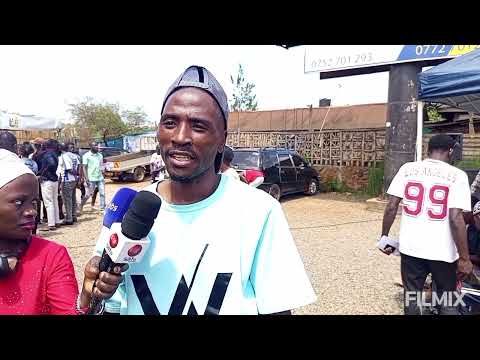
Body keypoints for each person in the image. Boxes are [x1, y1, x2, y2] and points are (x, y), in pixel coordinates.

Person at [79, 65, 316, 315]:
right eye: (170, 122)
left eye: (198, 126)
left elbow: (276, 309)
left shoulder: (259, 211)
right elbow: (106, 306)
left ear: (222, 139)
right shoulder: (131, 210)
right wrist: (89, 294)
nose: (180, 137)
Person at [380, 134, 473, 315]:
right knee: (447, 299)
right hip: (443, 252)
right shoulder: (458, 175)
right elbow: (455, 218)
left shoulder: (407, 169)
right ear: (451, 151)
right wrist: (464, 258)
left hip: (411, 249)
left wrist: (384, 236)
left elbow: (391, 206)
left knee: (412, 297)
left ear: (428, 150)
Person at [0, 150, 78, 314]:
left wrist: (86, 300)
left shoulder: (51, 255)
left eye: (34, 202)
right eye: (19, 202)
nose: (32, 212)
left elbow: (68, 310)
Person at [38, 139, 62, 231]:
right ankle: (57, 221)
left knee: (48, 202)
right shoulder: (55, 154)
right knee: (54, 201)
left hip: (47, 180)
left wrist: (42, 173)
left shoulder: (48, 154)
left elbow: (51, 164)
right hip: (54, 180)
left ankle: (51, 224)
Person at [79, 142, 105, 213]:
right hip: (91, 178)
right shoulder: (86, 156)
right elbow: (84, 167)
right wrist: (86, 178)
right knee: (88, 194)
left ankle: (102, 208)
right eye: (95, 145)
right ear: (91, 146)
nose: (97, 147)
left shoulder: (100, 155)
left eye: (97, 145)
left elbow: (101, 165)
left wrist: (103, 171)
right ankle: (81, 205)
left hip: (100, 177)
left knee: (102, 193)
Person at [58, 142, 80, 225]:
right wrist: (78, 176)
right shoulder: (75, 156)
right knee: (73, 199)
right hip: (74, 180)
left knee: (67, 200)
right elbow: (78, 166)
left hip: (67, 180)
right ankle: (74, 216)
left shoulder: (64, 156)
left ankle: (69, 218)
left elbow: (69, 169)